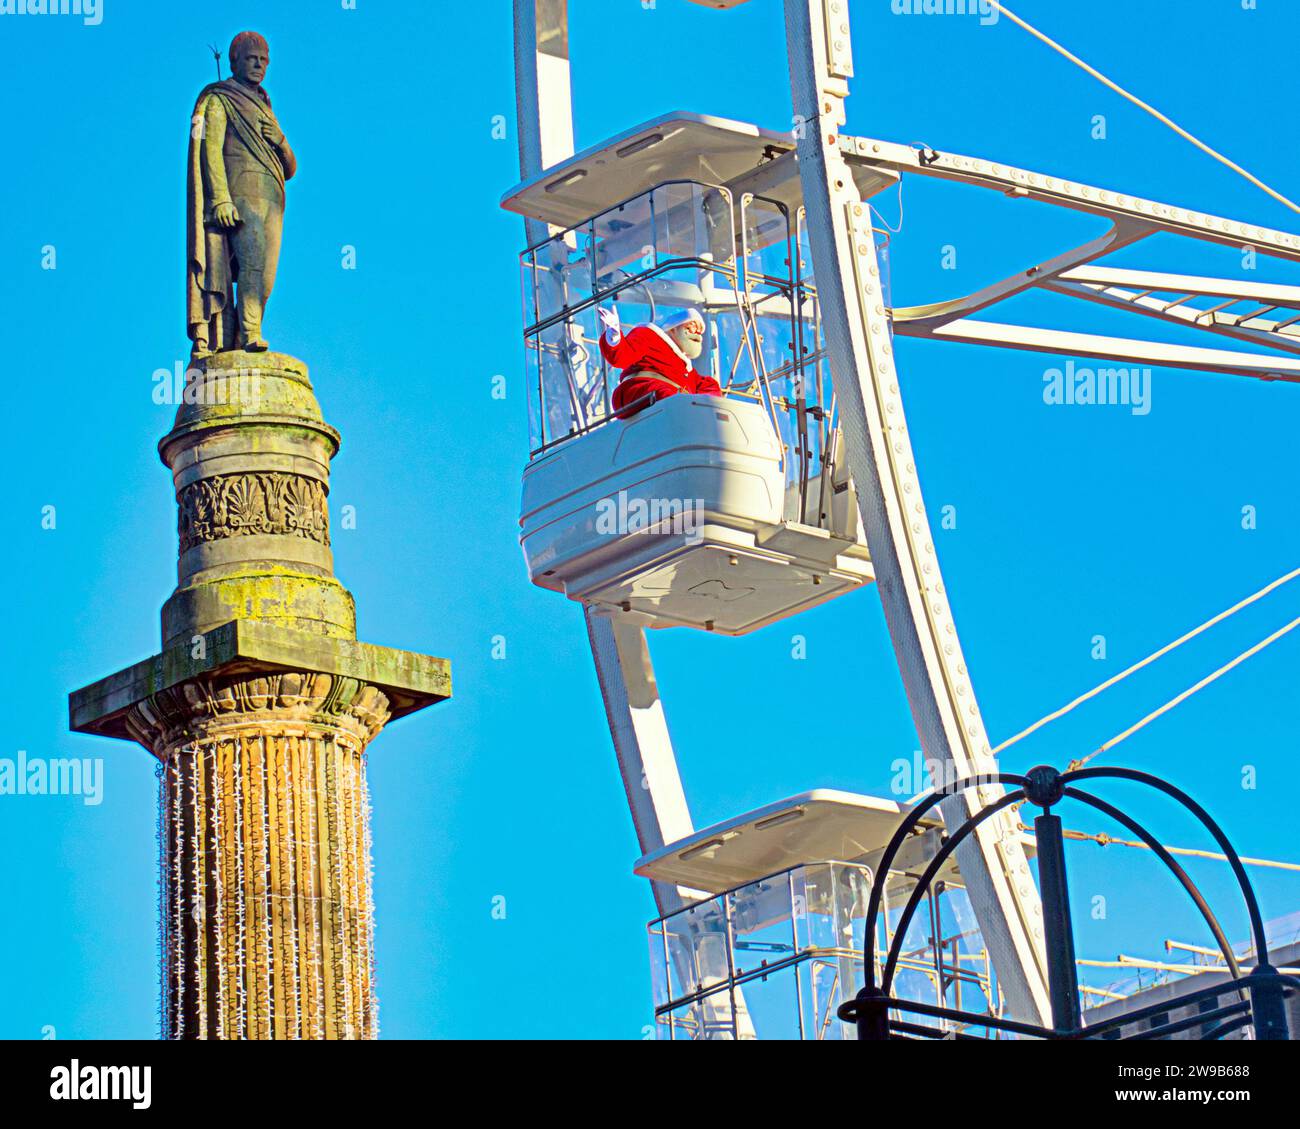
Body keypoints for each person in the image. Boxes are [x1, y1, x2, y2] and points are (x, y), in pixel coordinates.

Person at [187, 31, 298, 358]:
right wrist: (220, 197)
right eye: (252, 59)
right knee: (251, 260)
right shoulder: (220, 99)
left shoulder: (266, 107)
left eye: (264, 61)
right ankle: (250, 333)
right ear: (234, 60)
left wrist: (279, 140)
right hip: (240, 196)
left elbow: (290, 168)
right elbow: (210, 151)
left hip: (273, 202)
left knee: (266, 272)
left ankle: (241, 335)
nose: (259, 66)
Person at [598, 306, 723, 417]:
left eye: (699, 331)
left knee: (686, 401)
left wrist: (711, 407)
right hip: (639, 392)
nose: (696, 334)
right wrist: (614, 339)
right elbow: (622, 357)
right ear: (673, 329)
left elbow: (708, 387)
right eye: (691, 327)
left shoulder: (689, 372)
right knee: (671, 399)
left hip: (673, 405)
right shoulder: (649, 335)